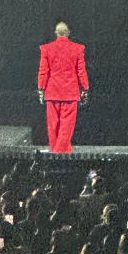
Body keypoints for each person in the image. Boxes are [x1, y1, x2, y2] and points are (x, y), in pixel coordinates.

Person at [37, 21, 89, 154]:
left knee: (53, 124)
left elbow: (43, 71)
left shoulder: (46, 49)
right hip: (70, 91)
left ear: (55, 33)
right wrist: (85, 88)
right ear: (68, 33)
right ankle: (60, 151)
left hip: (52, 90)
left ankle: (55, 150)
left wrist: (41, 89)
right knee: (67, 124)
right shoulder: (78, 48)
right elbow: (81, 71)